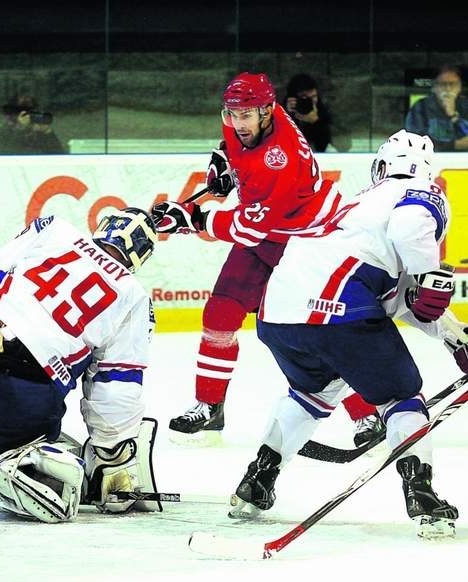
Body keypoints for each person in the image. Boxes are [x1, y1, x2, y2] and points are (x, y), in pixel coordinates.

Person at [230, 129, 465, 539]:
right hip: (337, 309)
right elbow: (411, 233)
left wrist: (455, 338)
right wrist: (430, 277)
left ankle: (256, 482)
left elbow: (396, 297)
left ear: (380, 166)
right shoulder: (421, 194)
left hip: (278, 314)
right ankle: (422, 495)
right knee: (401, 397)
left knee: (311, 393)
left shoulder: (355, 204)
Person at [152, 71, 382, 447]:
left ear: (266, 112)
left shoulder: (282, 158)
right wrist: (221, 163)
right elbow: (233, 149)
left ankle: (366, 415)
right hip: (271, 230)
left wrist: (191, 219)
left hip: (308, 240)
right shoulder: (248, 119)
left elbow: (248, 229)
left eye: (245, 115)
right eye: (232, 114)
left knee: (313, 332)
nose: (237, 122)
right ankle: (210, 406)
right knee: (220, 313)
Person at [0, 207, 162, 522]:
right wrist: (112, 455)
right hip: (18, 393)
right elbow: (114, 386)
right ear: (141, 256)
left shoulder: (56, 228)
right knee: (39, 439)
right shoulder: (133, 297)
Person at [405, 64, 468, 152]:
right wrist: (453, 145)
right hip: (431, 158)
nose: (448, 89)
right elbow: (414, 140)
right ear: (434, 87)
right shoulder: (421, 107)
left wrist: (454, 116)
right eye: (443, 84)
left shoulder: (466, 105)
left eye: (452, 84)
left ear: (459, 87)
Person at [0, 94, 68, 155]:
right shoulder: (2, 132)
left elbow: (59, 155)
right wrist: (21, 129)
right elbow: (3, 155)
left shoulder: (39, 132)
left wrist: (47, 132)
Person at [282, 73, 332, 152]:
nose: (310, 101)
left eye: (314, 96)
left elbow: (344, 146)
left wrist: (317, 122)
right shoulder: (280, 112)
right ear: (292, 99)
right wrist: (286, 116)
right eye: (304, 98)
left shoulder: (322, 111)